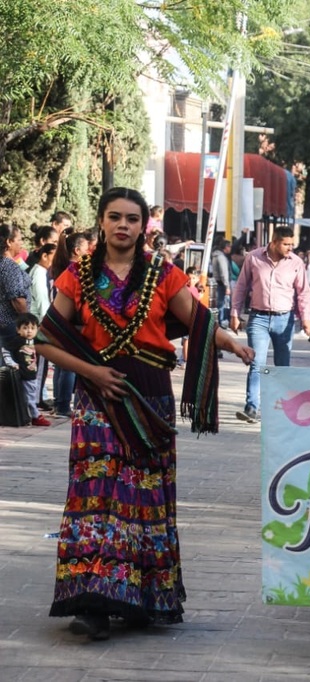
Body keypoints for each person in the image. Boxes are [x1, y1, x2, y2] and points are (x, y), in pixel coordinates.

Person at [36, 187, 253, 641]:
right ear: (101, 221)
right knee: (96, 495)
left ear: (143, 226)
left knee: (142, 496)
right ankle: (93, 602)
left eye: (132, 219)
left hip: (149, 396)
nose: (123, 225)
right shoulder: (77, 276)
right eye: (115, 217)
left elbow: (197, 319)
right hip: (98, 398)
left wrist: (232, 343)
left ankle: (140, 597)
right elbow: (46, 340)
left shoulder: (163, 274)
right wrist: (93, 373)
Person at [230, 228, 310, 424]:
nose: (290, 248)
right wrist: (234, 313)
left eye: (292, 244)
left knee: (282, 367)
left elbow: (303, 292)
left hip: (284, 320)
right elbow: (241, 286)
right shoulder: (253, 258)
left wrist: (306, 318)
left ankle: (282, 410)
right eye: (286, 244)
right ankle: (251, 408)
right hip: (258, 318)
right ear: (274, 242)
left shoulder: (296, 263)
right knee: (256, 363)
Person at [48, 229, 89, 418]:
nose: (88, 253)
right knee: (69, 366)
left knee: (61, 365)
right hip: (71, 323)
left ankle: (59, 403)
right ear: (77, 250)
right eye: (86, 249)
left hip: (59, 320)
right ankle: (63, 406)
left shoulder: (60, 267)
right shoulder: (76, 271)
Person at [3, 312, 49, 426]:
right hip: (23, 374)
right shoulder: (18, 341)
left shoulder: (36, 341)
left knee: (30, 395)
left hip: (32, 374)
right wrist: (11, 363)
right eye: (25, 328)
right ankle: (35, 416)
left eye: (32, 328)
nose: (29, 331)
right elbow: (5, 349)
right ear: (18, 330)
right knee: (29, 397)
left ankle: (28, 416)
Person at [28, 243, 57, 410]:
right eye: (53, 257)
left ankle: (36, 397)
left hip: (35, 322)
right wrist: (48, 323)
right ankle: (37, 398)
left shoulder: (38, 271)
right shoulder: (39, 273)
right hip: (38, 323)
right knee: (40, 365)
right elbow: (41, 301)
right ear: (44, 256)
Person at [0, 224, 29, 351]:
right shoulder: (9, 266)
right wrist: (29, 322)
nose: (22, 243)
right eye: (19, 239)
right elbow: (17, 299)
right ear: (9, 242)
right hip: (11, 325)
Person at [210, 237, 232, 328]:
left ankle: (219, 321)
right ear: (226, 247)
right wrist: (227, 286)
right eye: (229, 247)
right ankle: (221, 321)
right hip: (222, 283)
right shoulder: (221, 257)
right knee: (222, 304)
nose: (230, 249)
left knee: (220, 303)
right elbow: (224, 273)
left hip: (217, 282)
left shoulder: (215, 255)